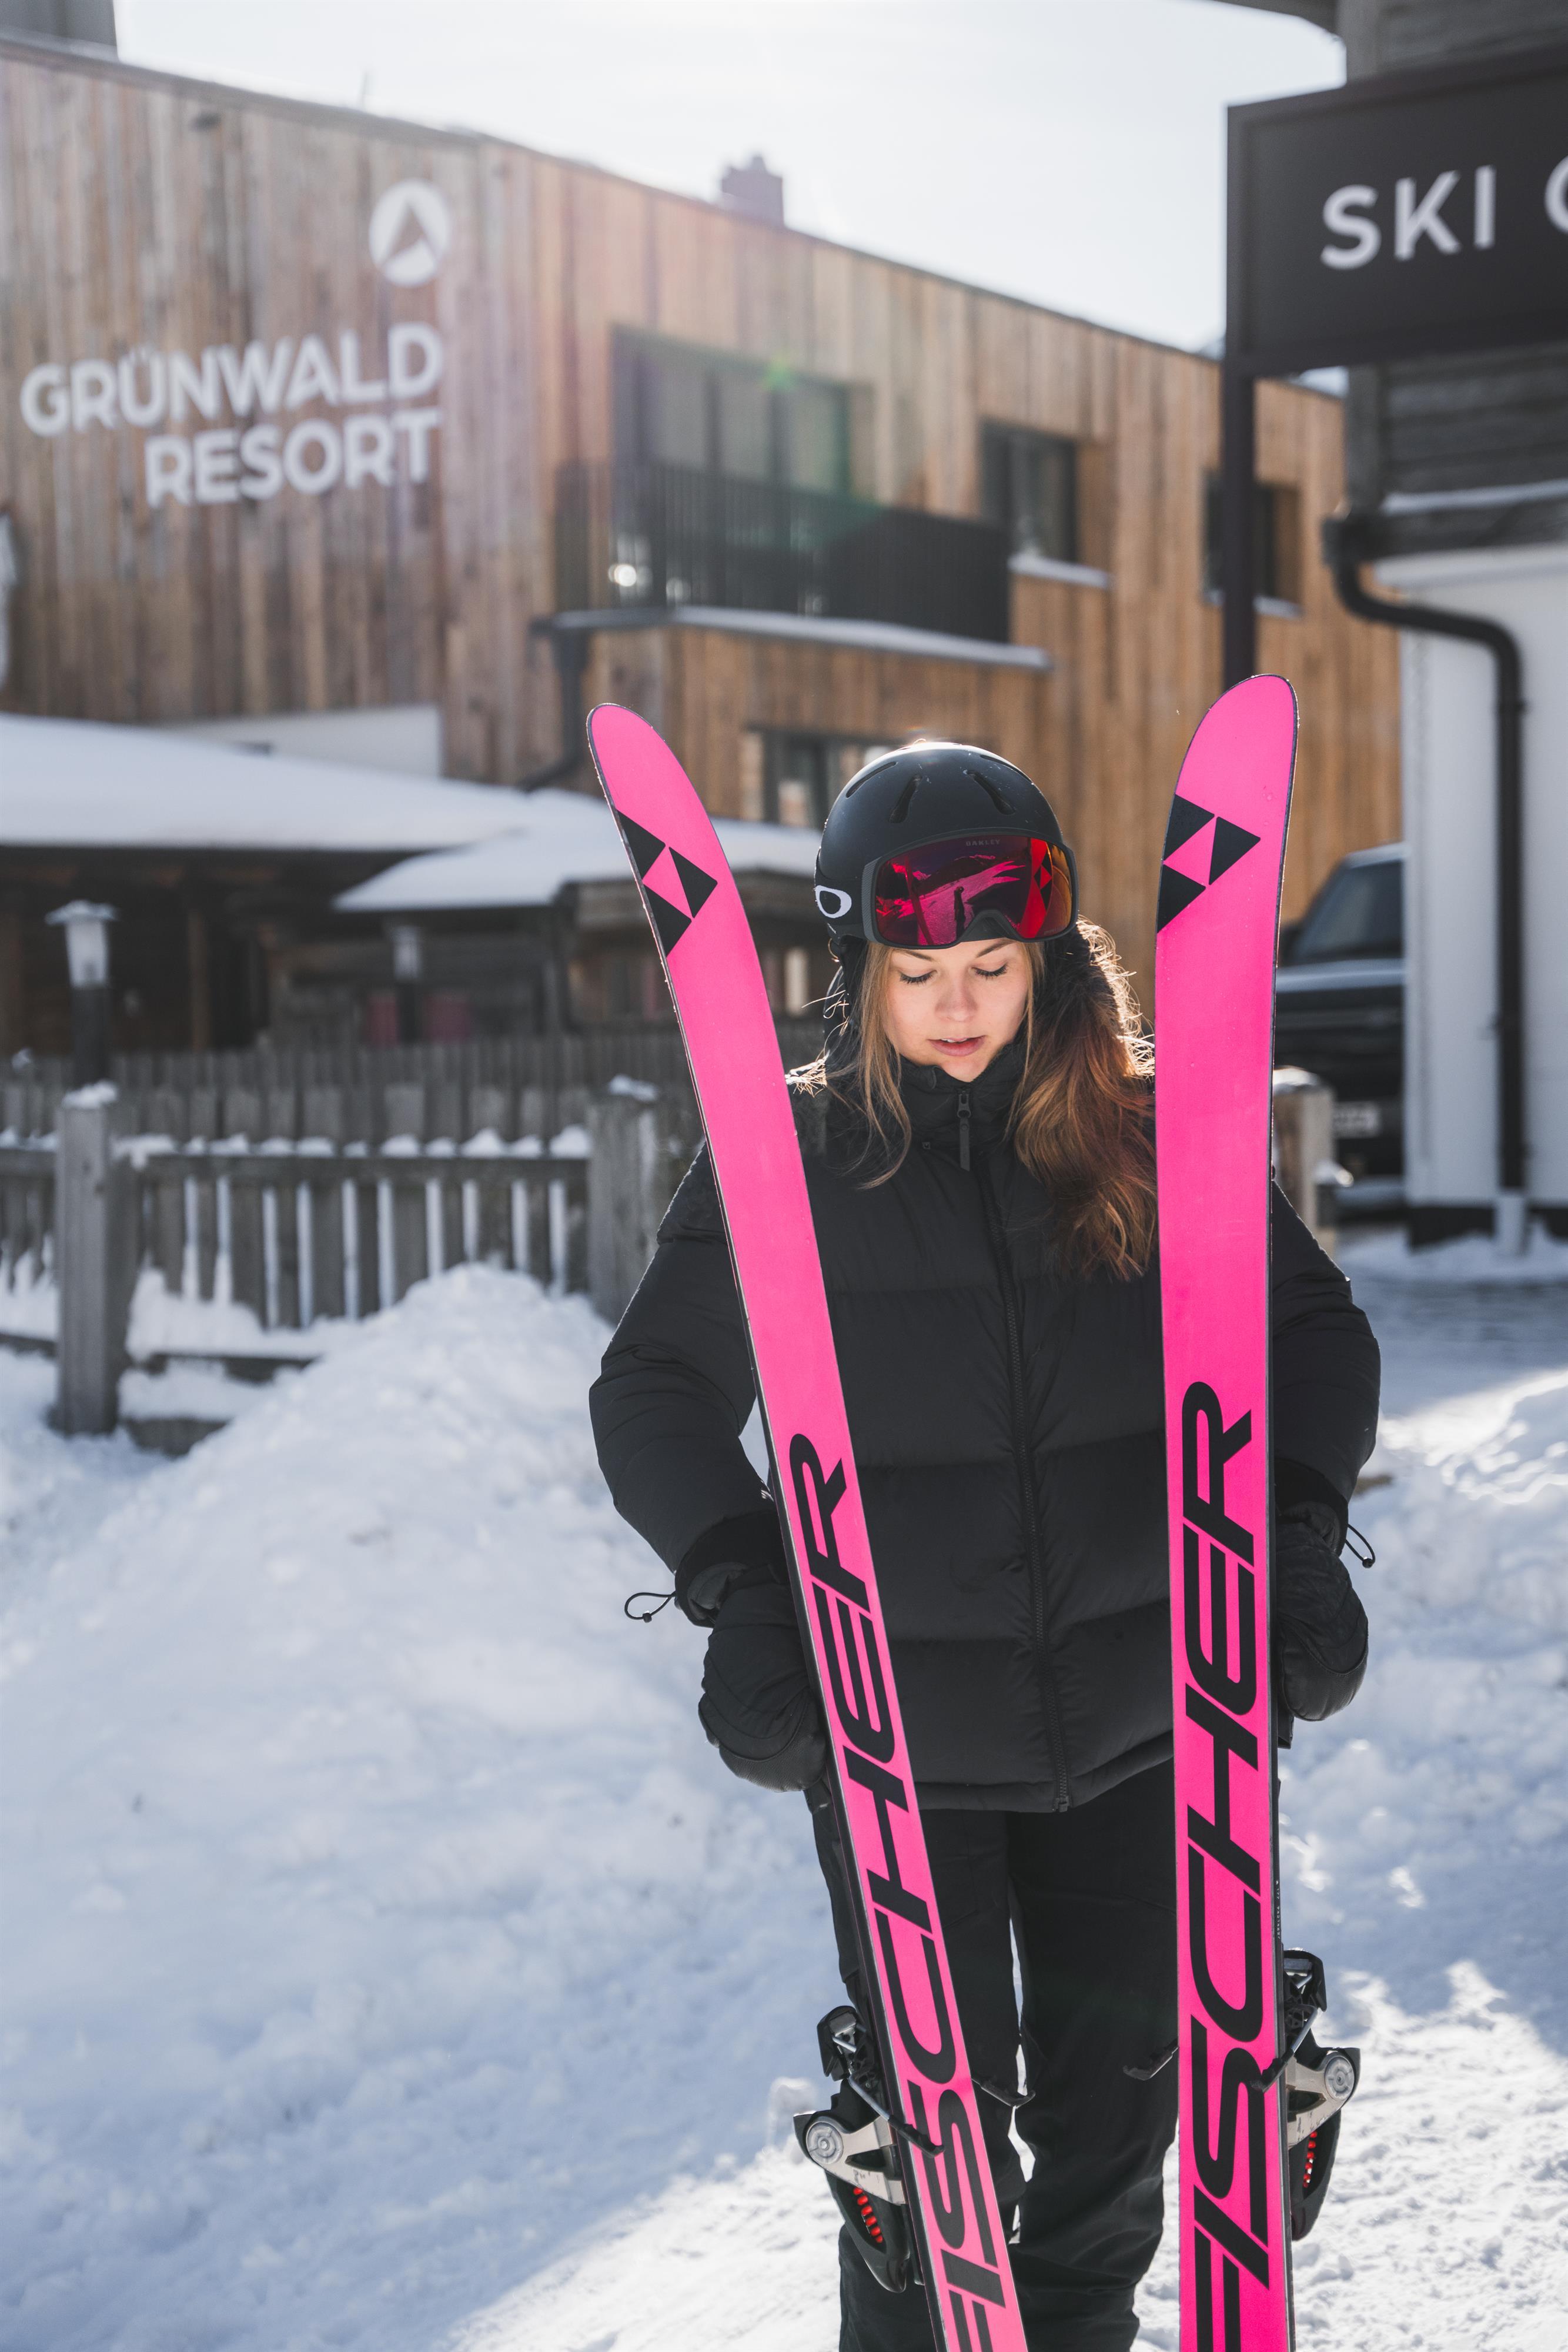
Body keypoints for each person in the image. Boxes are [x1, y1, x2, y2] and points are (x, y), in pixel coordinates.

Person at [590, 741, 1379, 2352]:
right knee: (933, 2158)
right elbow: (654, 1391)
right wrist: (747, 1588)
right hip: (906, 1750)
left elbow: (1309, 1336)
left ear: (1049, 958)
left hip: (1152, 1724)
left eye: (993, 966)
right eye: (918, 973)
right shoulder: (791, 1158)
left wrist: (1293, 1524)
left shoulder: (1148, 1132)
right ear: (858, 975)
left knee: (1113, 2147)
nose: (957, 1003)